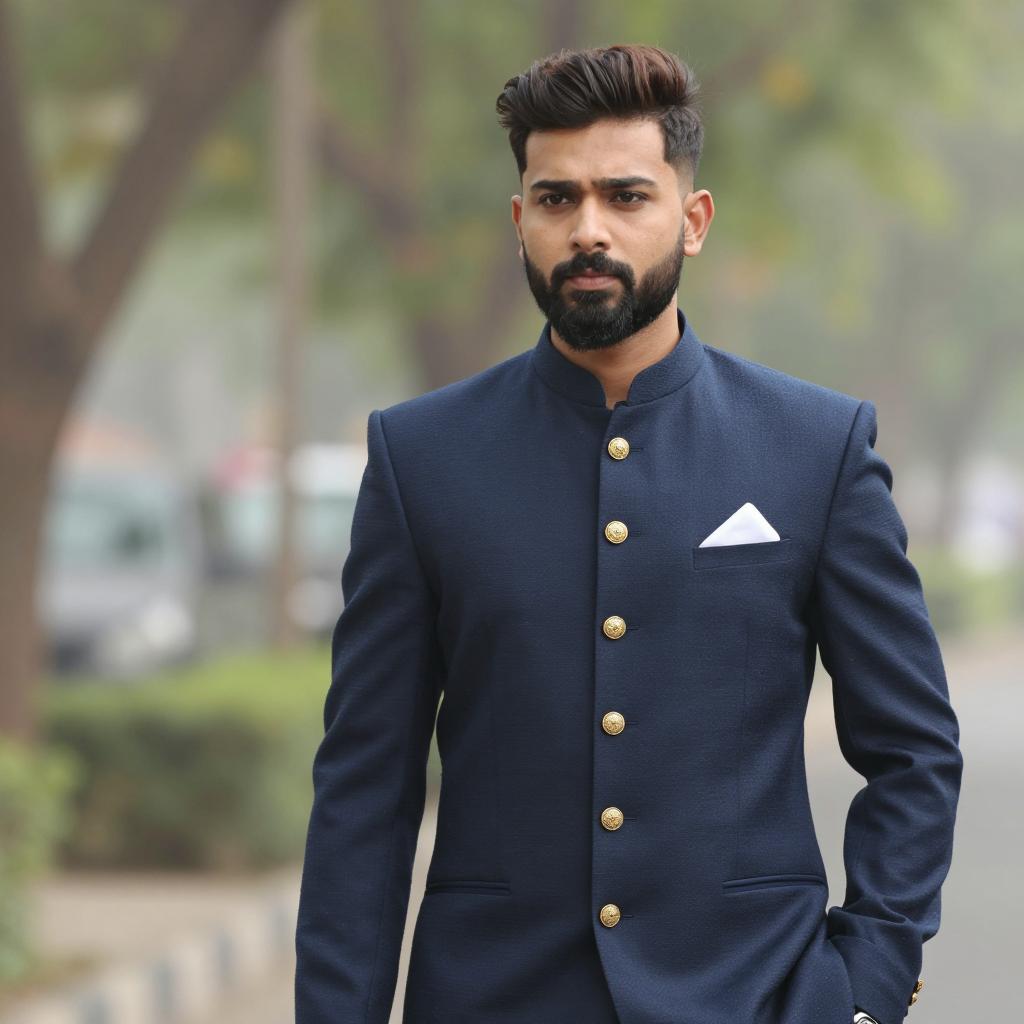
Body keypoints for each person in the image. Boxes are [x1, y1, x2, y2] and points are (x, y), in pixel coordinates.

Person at [294, 43, 962, 1024]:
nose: (588, 229)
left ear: (690, 221)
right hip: (493, 998)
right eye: (557, 200)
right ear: (520, 221)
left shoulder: (814, 449)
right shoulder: (421, 459)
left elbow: (912, 751)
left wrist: (863, 985)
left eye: (625, 196)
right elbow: (365, 790)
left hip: (756, 997)